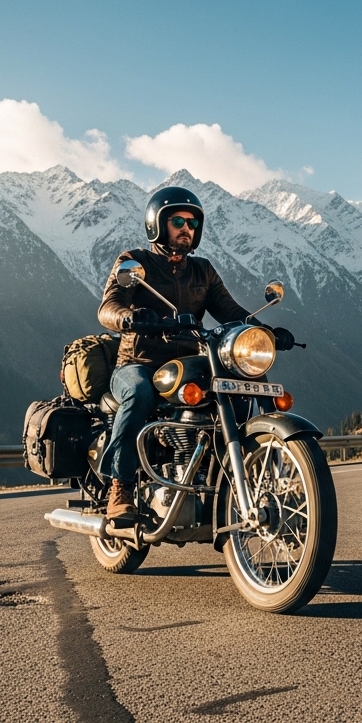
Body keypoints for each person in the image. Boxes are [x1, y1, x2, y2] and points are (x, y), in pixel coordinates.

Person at [96, 187, 294, 523]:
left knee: (238, 386)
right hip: (138, 363)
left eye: (192, 222)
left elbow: (230, 311)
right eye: (177, 220)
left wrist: (265, 332)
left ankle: (232, 475)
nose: (186, 228)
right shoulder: (135, 262)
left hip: (189, 363)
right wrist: (128, 318)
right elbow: (108, 308)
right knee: (140, 391)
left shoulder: (202, 270)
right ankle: (121, 485)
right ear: (157, 224)